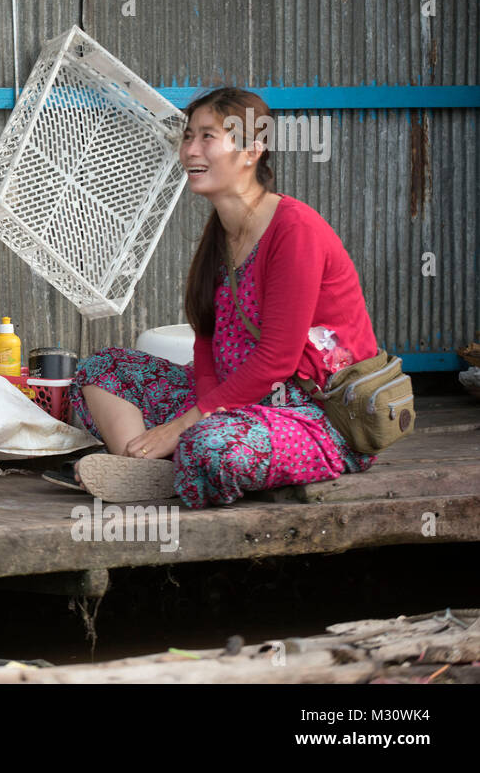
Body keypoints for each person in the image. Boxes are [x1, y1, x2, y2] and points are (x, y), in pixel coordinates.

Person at [68, 87, 379, 508]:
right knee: (102, 369)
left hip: (312, 414)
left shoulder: (294, 229)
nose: (190, 150)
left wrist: (182, 426)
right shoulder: (222, 232)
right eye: (187, 136)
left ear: (252, 149)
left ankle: (175, 462)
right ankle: (142, 468)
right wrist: (200, 408)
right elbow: (207, 341)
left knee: (212, 446)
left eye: (208, 137)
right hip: (230, 401)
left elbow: (277, 360)